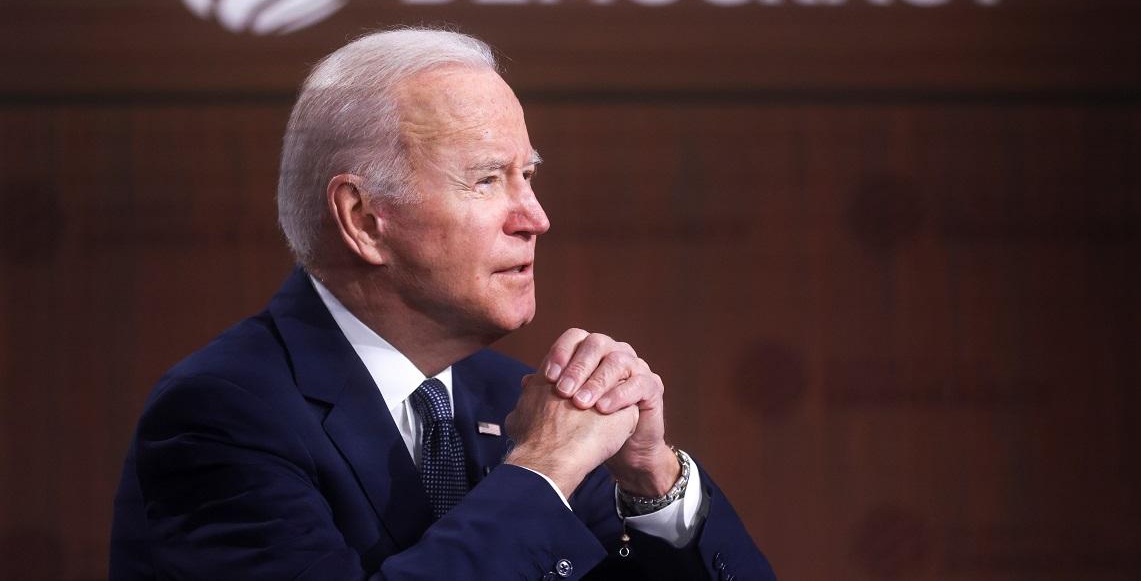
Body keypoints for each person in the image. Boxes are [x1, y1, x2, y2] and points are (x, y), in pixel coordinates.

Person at [110, 29, 774, 580]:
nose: (535, 218)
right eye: (487, 180)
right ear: (365, 219)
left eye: (528, 177)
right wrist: (542, 471)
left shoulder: (512, 398)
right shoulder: (222, 414)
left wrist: (652, 484)